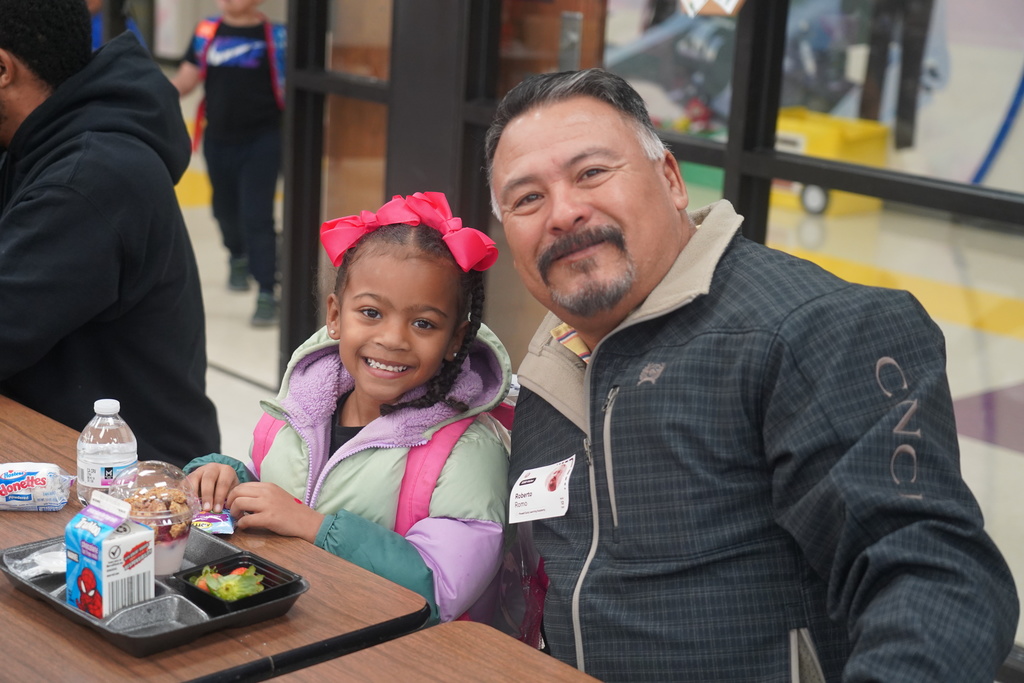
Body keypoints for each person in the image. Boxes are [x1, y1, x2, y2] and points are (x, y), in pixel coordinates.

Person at [485, 68, 1019, 682]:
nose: (563, 212)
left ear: (671, 179)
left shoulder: (811, 329)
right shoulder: (546, 370)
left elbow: (937, 578)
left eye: (592, 173)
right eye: (526, 199)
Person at [184, 192, 512, 624]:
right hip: (291, 629)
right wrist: (227, 480)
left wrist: (314, 527)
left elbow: (438, 590)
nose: (393, 339)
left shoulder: (468, 450)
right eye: (371, 312)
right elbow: (275, 493)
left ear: (456, 338)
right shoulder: (300, 409)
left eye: (423, 323)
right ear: (336, 316)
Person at [0, 0, 220, 469]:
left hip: (134, 497)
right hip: (53, 456)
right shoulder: (34, 142)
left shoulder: (88, 178)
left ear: (3, 69)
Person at [170, 0, 285, 327]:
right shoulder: (207, 32)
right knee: (224, 210)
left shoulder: (276, 37)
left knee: (257, 216)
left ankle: (266, 289)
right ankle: (237, 256)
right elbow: (187, 78)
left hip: (263, 141)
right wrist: (151, 92)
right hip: (218, 140)